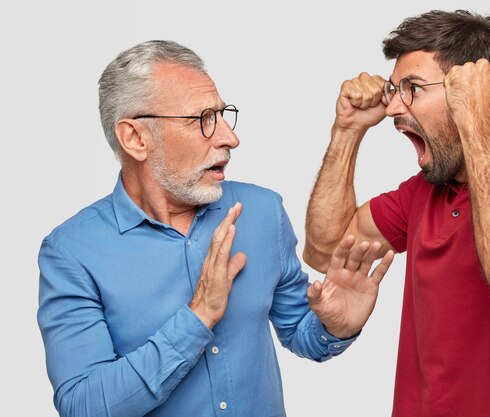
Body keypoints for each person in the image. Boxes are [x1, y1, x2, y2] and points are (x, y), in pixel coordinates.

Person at [37, 40, 394, 417]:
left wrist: (335, 326)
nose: (230, 137)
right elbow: (83, 406)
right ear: (135, 138)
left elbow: (301, 334)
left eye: (223, 115)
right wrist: (197, 318)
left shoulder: (261, 211)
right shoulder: (72, 252)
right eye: (203, 119)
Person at [304, 9, 490, 417]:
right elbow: (326, 250)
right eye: (395, 89)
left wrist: (477, 122)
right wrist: (347, 130)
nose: (393, 108)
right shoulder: (427, 190)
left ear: (476, 91)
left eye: (412, 88)